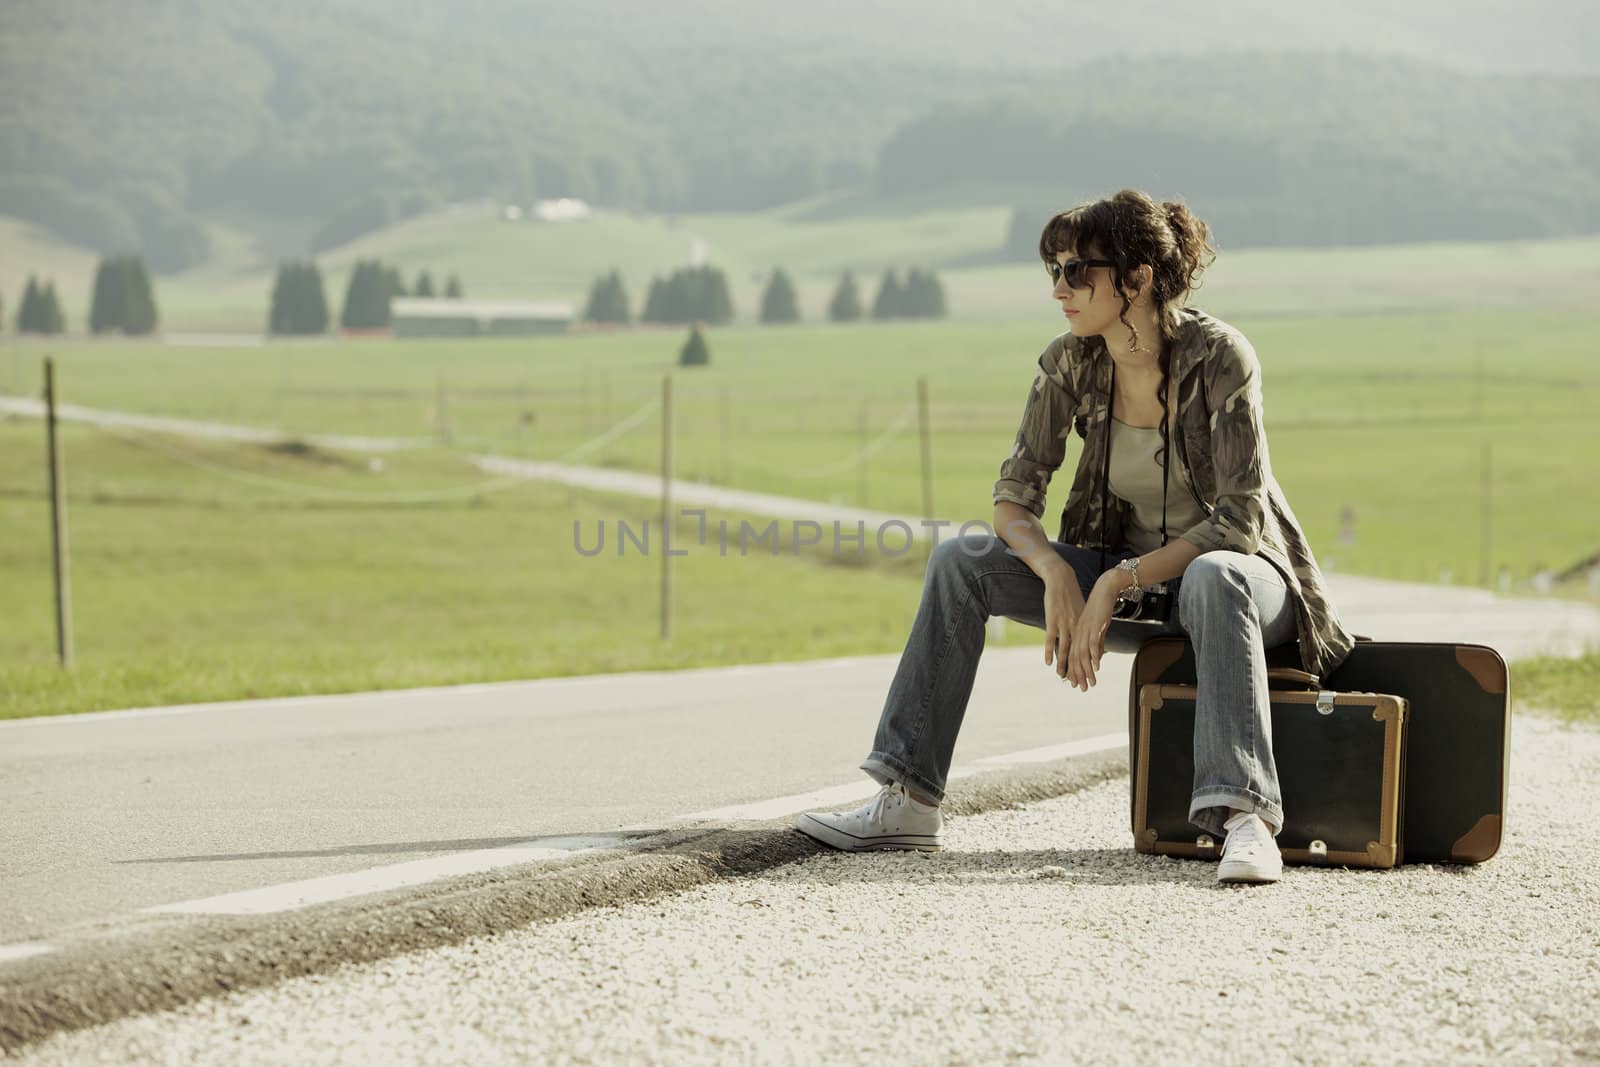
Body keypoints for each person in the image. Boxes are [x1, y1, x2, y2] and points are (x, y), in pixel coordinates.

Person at [795, 189, 1354, 884]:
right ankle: (908, 798)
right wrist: (1059, 574)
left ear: (1137, 278)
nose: (1059, 288)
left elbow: (1238, 524)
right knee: (959, 562)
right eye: (1052, 270)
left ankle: (1246, 820)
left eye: (1076, 272)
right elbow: (1013, 499)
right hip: (1130, 583)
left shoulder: (1221, 358)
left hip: (1242, 584)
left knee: (1213, 576)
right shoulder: (1070, 360)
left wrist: (1119, 580)